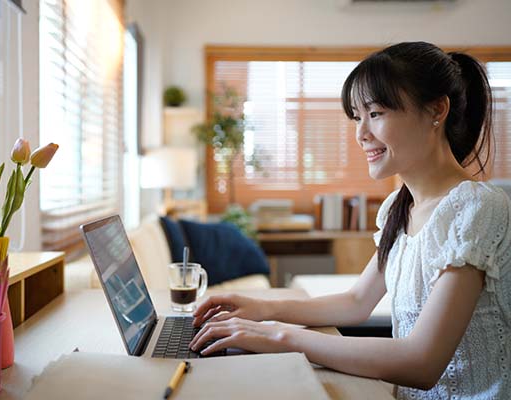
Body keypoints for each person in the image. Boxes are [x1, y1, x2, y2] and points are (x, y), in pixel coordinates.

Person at [189, 42, 511, 399]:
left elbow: (422, 362)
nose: (360, 133)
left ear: (437, 110)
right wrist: (264, 308)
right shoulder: (398, 208)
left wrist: (280, 336)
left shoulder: (476, 208)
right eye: (357, 117)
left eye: (375, 113)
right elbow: (356, 301)